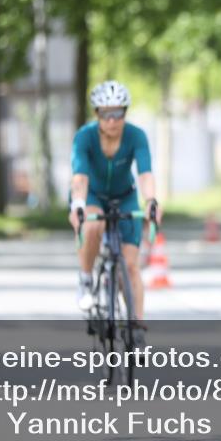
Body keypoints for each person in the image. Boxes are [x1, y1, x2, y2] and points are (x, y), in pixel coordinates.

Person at [69, 81, 161, 339]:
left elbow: (145, 173)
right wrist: (78, 205)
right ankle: (86, 279)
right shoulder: (84, 136)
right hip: (92, 195)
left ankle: (137, 327)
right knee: (93, 224)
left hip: (125, 196)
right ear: (97, 114)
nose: (112, 120)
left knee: (130, 266)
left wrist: (151, 201)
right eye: (106, 114)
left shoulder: (136, 135)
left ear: (125, 112)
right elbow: (80, 177)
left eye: (118, 113)